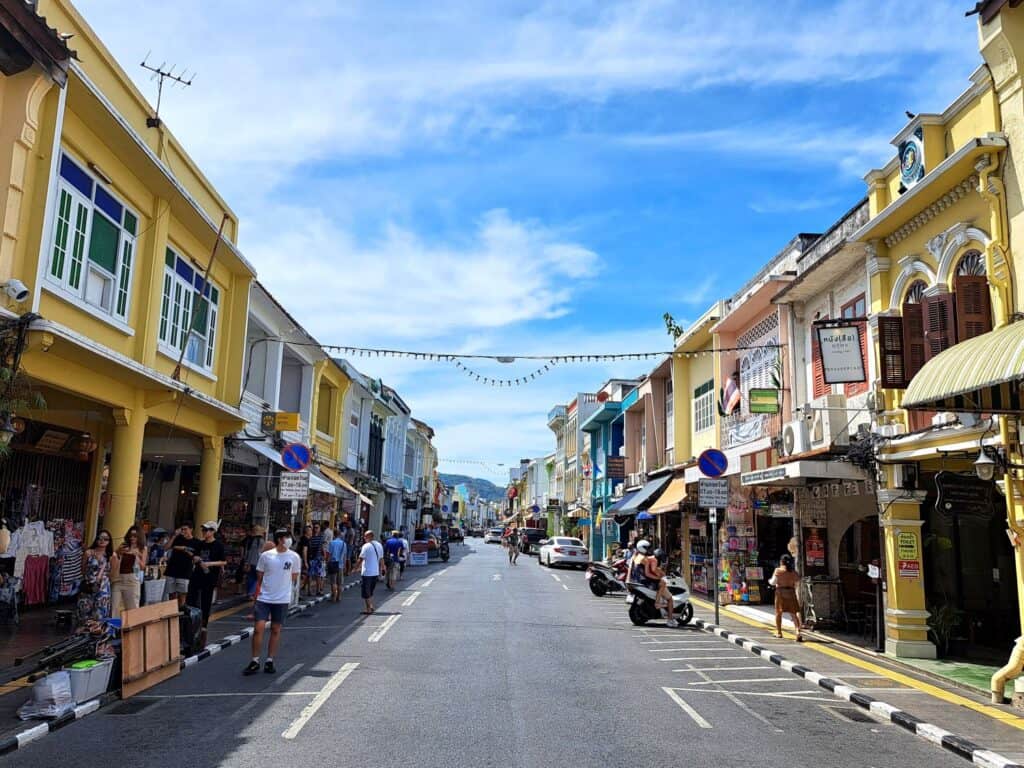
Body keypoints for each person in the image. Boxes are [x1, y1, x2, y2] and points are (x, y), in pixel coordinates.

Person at [244, 529, 301, 675]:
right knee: (258, 628)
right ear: (280, 539)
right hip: (264, 598)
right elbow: (260, 576)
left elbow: (293, 577)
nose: (289, 540)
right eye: (287, 537)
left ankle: (269, 660)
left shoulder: (294, 557)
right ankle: (255, 660)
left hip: (281, 599)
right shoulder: (266, 556)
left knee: (276, 629)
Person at [188, 521, 227, 647]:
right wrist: (196, 559)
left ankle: (204, 625)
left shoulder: (218, 545)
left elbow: (223, 562)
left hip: (210, 576)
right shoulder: (200, 544)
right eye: (203, 530)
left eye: (207, 530)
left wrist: (209, 564)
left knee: (206, 600)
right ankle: (192, 622)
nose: (204, 532)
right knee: (192, 598)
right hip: (197, 574)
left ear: (213, 531)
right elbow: (194, 556)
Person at [78, 530, 114, 624]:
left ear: (109, 541)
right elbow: (83, 569)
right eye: (100, 538)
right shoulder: (88, 553)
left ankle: (97, 635)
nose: (102, 540)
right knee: (84, 612)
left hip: (103, 587)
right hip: (88, 584)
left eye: (106, 539)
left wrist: (103, 579)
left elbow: (112, 572)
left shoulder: (110, 555)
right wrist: (90, 578)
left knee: (100, 613)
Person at [164, 523, 200, 609]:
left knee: (182, 595)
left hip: (185, 571)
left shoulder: (196, 542)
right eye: (182, 529)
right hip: (171, 570)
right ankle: (172, 613)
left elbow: (196, 556)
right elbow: (166, 547)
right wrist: (174, 536)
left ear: (191, 529)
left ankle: (182, 615)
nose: (183, 531)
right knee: (171, 594)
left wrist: (184, 549)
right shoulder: (178, 538)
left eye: (185, 529)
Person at [112, 526, 145, 618]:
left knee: (132, 609)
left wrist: (137, 555)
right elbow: (114, 557)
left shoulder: (142, 548)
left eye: (135, 536)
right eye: (131, 536)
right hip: (118, 579)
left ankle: (131, 630)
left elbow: (142, 567)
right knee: (114, 608)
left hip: (132, 579)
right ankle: (114, 629)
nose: (132, 538)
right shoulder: (123, 546)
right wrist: (118, 552)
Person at [770, 554, 804, 641]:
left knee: (778, 613)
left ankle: (779, 632)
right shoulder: (793, 572)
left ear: (781, 561)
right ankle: (797, 632)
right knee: (793, 613)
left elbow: (773, 582)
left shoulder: (778, 570)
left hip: (780, 593)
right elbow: (798, 580)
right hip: (791, 592)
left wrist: (769, 581)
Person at [356, 530, 384, 614]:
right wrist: (383, 568)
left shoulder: (366, 546)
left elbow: (361, 558)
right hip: (375, 572)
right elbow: (381, 558)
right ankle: (370, 605)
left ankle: (368, 608)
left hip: (367, 572)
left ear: (370, 537)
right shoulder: (379, 545)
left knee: (366, 591)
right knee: (370, 590)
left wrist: (355, 568)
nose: (364, 538)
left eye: (365, 536)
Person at [326, 528, 348, 602]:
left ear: (334, 535)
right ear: (339, 535)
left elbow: (329, 554)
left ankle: (334, 597)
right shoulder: (343, 544)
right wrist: (345, 565)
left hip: (333, 563)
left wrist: (327, 562)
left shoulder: (332, 543)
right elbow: (345, 556)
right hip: (340, 564)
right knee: (339, 583)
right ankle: (339, 597)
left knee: (333, 582)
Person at [308, 523, 325, 596]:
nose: (315, 529)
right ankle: (309, 591)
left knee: (318, 575)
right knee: (310, 575)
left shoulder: (321, 537)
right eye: (314, 528)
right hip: (312, 558)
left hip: (318, 558)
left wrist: (323, 555)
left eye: (317, 527)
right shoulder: (310, 537)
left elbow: (322, 547)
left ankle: (318, 590)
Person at [296, 524, 312, 596]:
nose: (311, 532)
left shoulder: (305, 539)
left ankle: (308, 590)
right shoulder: (305, 540)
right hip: (303, 560)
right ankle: (297, 593)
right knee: (303, 577)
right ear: (307, 532)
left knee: (307, 576)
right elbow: (304, 551)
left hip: (304, 559)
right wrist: (305, 562)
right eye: (310, 530)